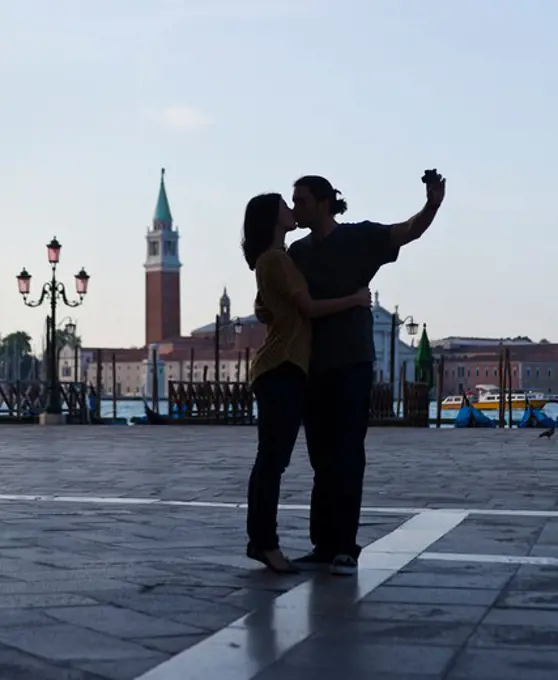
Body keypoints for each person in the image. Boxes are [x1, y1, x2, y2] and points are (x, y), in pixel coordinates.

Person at [255, 172, 446, 576]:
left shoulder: (360, 238)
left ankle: (344, 546)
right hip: (310, 367)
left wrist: (432, 205)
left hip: (351, 362)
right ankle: (324, 544)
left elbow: (406, 231)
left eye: (301, 201)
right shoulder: (296, 253)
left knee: (347, 455)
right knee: (321, 458)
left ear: (324, 202)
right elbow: (271, 300)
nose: (295, 208)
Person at [242, 192, 372, 574]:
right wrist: (355, 299)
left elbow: (263, 307)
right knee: (272, 461)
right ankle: (264, 543)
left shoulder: (274, 260)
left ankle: (264, 542)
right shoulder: (279, 259)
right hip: (281, 367)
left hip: (284, 367)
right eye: (286, 204)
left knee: (272, 459)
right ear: (272, 217)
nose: (292, 209)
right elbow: (310, 309)